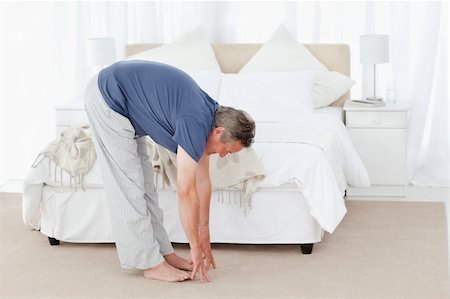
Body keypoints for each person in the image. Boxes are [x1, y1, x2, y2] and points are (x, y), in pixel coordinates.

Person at [84, 60, 255, 283]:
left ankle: (163, 253)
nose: (223, 155)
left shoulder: (210, 116)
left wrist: (204, 234)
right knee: (128, 186)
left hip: (125, 107)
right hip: (107, 98)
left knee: (146, 187)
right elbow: (186, 192)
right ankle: (150, 263)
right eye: (227, 149)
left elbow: (203, 182)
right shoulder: (196, 123)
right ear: (219, 132)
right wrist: (194, 246)